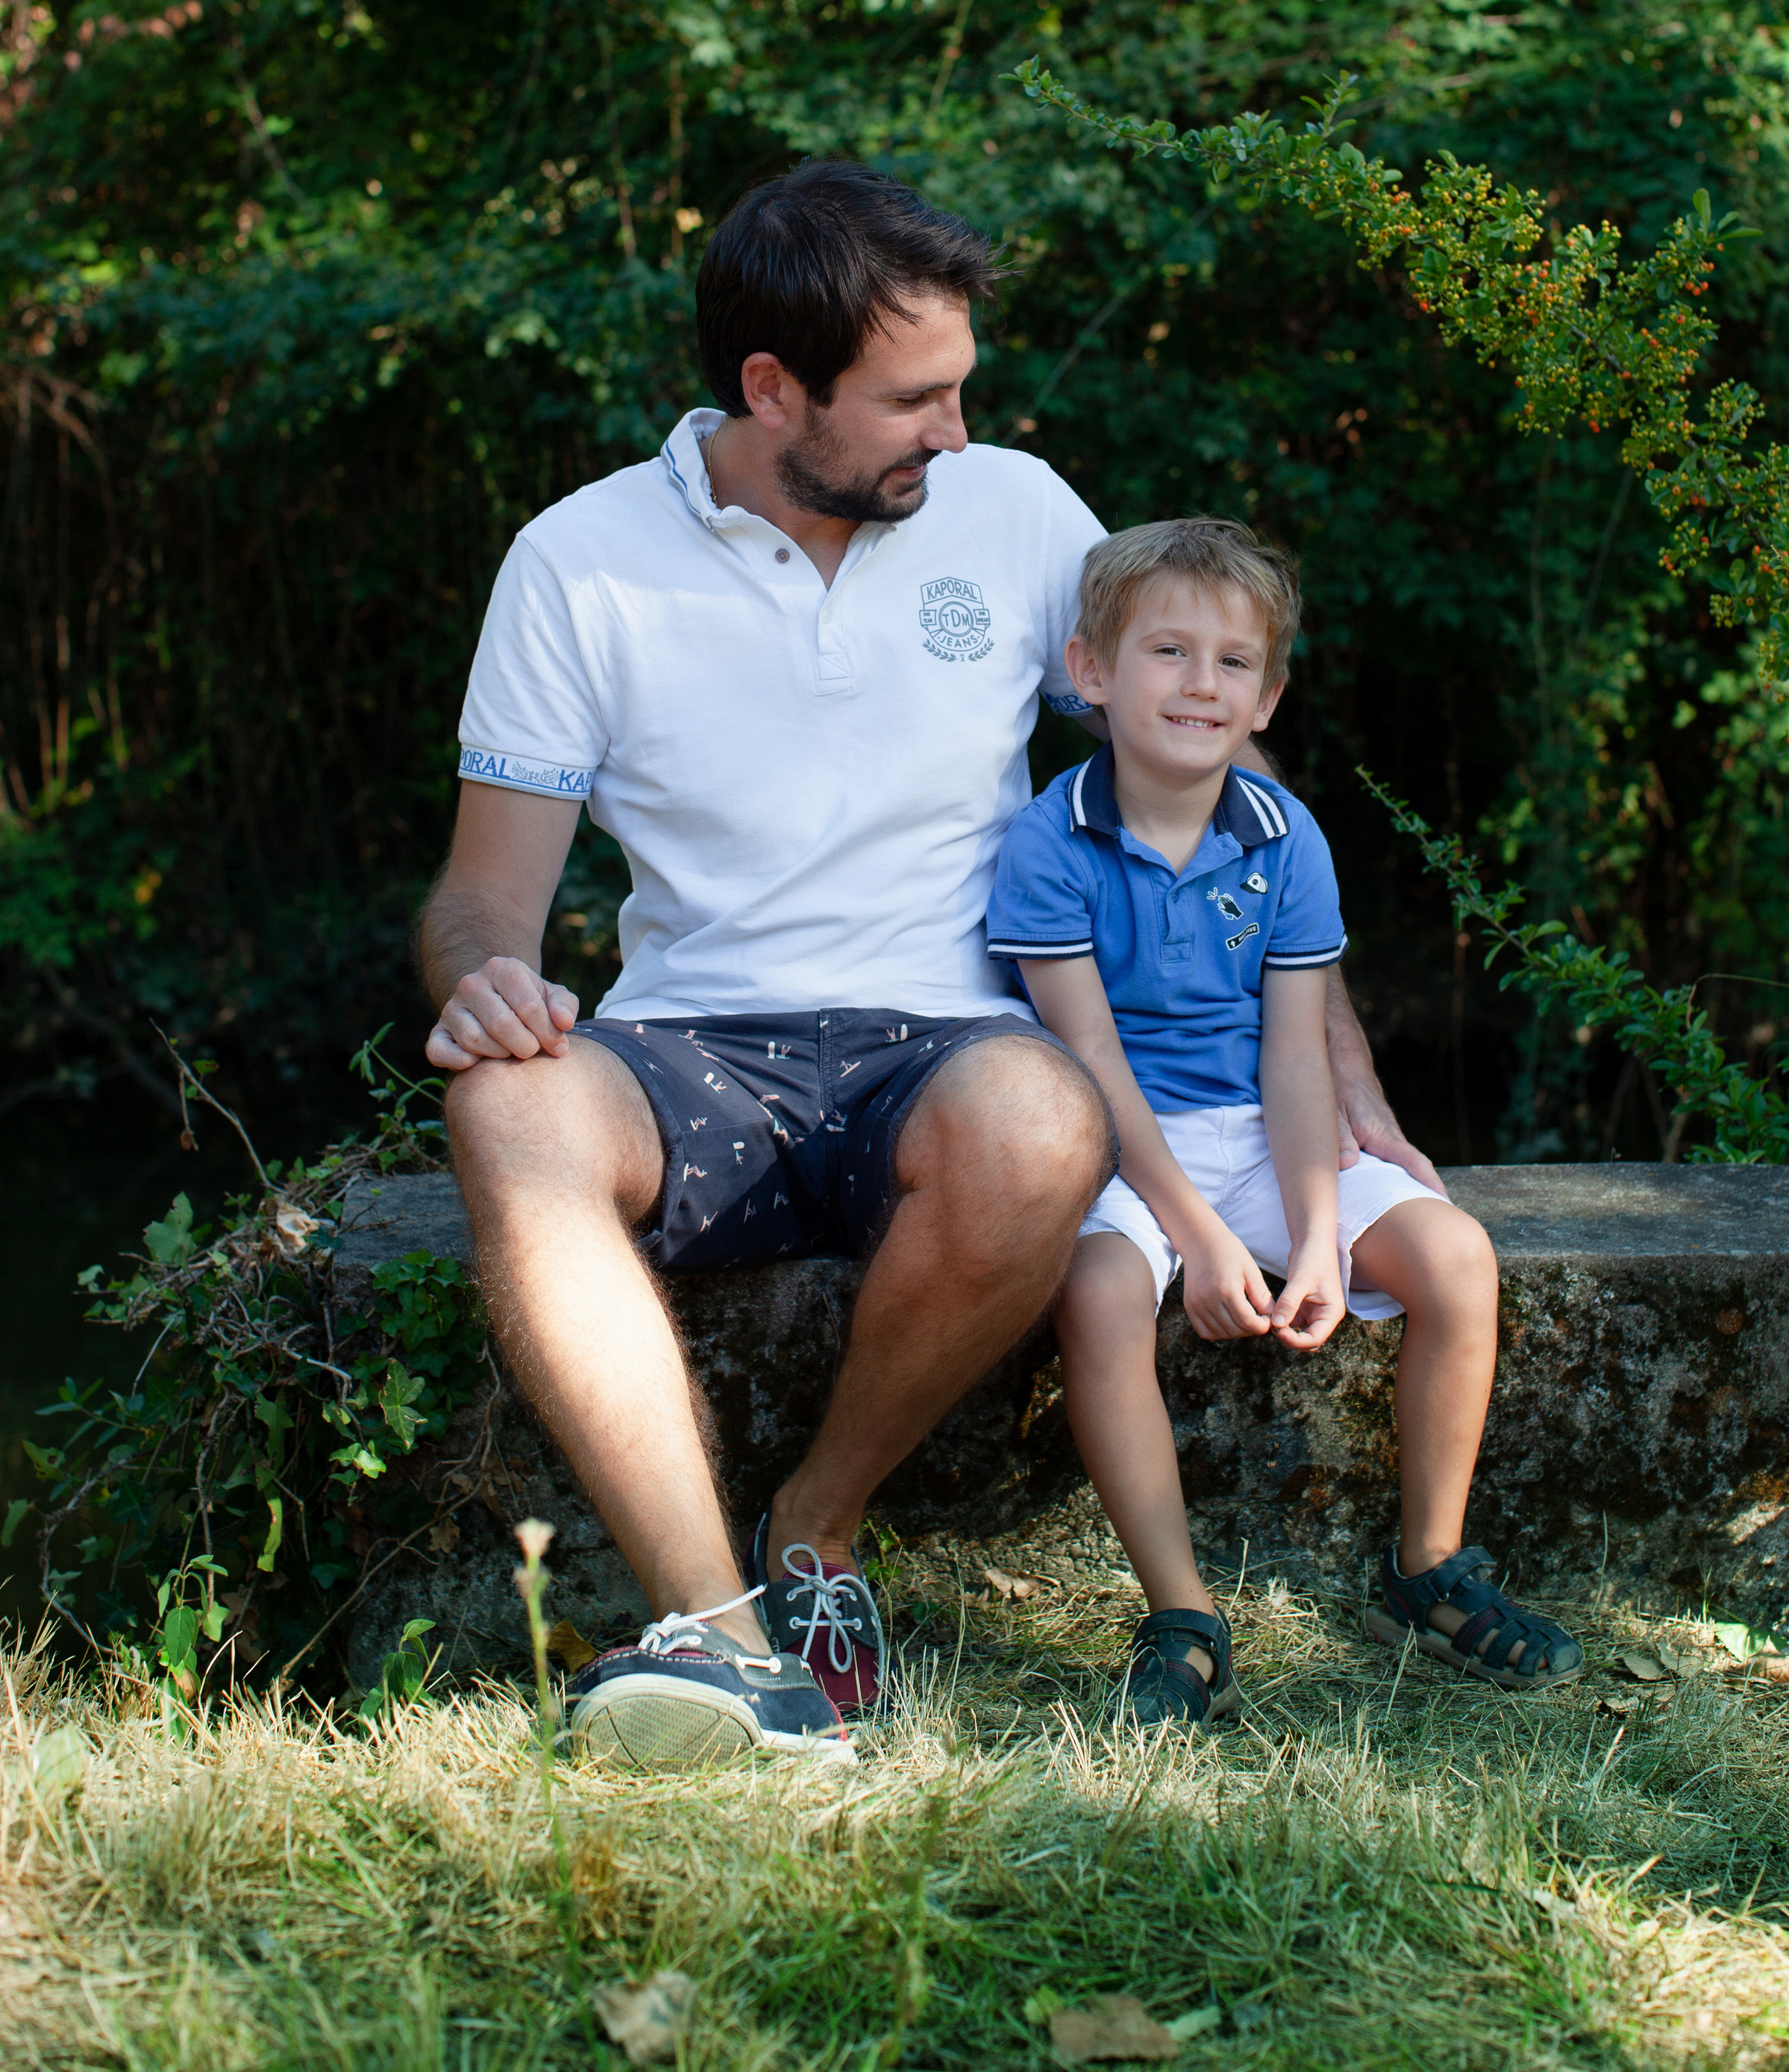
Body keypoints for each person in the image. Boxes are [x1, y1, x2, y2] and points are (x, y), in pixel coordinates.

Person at [420, 162, 1440, 1771]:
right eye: (913, 400)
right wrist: (486, 979)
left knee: (1045, 1117)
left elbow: (1206, 778)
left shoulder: (1014, 512)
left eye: (960, 388)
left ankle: (816, 1531)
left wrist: (1337, 1056)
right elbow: (483, 898)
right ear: (773, 388)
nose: (954, 434)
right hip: (690, 1046)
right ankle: (719, 1642)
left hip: (950, 1053)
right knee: (504, 1110)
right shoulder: (579, 560)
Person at [985, 516, 1585, 1722]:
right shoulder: (1050, 842)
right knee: (1098, 1294)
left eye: (1234, 663)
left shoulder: (1284, 837)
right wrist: (1201, 1236)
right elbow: (1091, 1061)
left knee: (1457, 1257)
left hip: (1265, 1133)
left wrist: (1316, 1232)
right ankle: (1183, 1616)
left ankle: (1428, 1571)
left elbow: (1297, 1055)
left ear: (1267, 697)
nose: (1200, 684)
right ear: (1091, 671)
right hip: (1116, 1143)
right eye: (1167, 651)